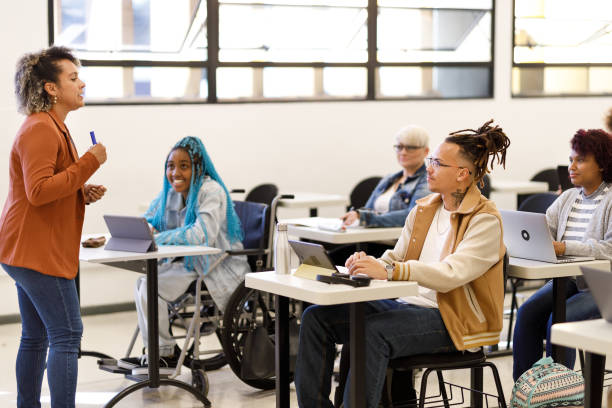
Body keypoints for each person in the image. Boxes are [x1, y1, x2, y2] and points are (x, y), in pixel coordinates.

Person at [295, 120, 510, 408]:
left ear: (462, 173)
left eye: (437, 163)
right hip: (407, 305)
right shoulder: (424, 209)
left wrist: (389, 271)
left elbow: (450, 274)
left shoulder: (484, 219)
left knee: (372, 331)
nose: (429, 167)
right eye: (431, 160)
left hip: (455, 320)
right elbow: (397, 257)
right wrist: (369, 262)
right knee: (316, 318)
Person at [0, 46, 107, 408]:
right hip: (36, 251)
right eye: (73, 78)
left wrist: (79, 191)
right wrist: (89, 164)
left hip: (24, 248)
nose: (82, 83)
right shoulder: (41, 129)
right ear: (51, 88)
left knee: (35, 336)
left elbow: (50, 185)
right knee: (66, 334)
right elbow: (39, 192)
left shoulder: (51, 127)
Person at [120, 136, 251, 370]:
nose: (175, 172)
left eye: (184, 166)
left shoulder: (211, 191)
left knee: (151, 288)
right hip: (189, 264)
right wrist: (145, 229)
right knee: (142, 283)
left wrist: (157, 237)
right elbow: (152, 219)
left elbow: (201, 235)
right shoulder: (171, 191)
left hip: (217, 266)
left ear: (198, 167)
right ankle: (159, 350)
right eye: (170, 166)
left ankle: (164, 352)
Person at [512, 128, 612, 381]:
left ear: (602, 164)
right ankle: (527, 389)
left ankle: (558, 391)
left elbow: (609, 249)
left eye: (581, 160)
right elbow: (542, 232)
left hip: (603, 286)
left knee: (559, 321)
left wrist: (564, 247)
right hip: (567, 279)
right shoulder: (568, 197)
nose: (572, 166)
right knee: (526, 315)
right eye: (571, 160)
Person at [342, 125, 431, 228]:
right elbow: (368, 209)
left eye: (410, 147)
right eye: (399, 147)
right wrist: (355, 214)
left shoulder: (427, 181)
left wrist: (365, 217)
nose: (403, 152)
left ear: (426, 151)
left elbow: (412, 216)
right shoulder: (389, 179)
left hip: (395, 242)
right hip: (370, 237)